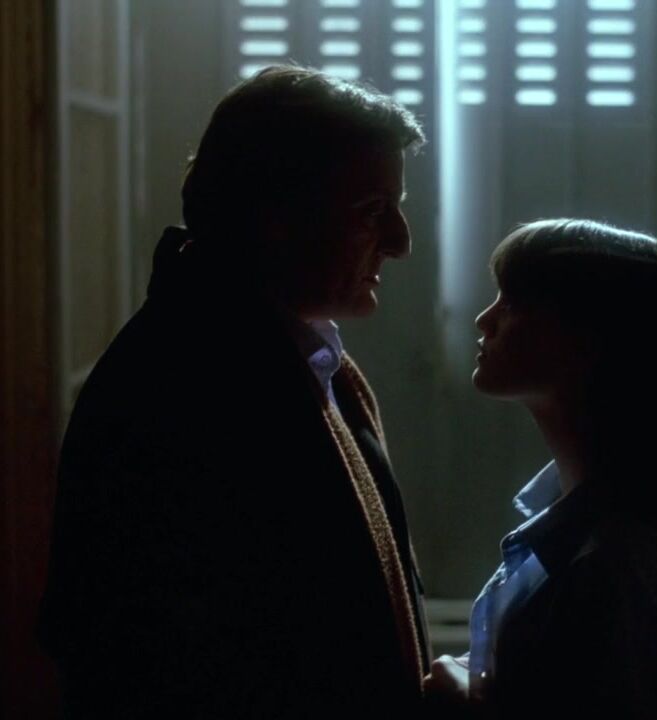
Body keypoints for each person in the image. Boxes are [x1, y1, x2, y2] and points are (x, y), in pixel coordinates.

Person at [38, 65, 430, 716]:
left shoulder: (289, 356)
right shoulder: (185, 393)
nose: (400, 242)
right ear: (274, 218)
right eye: (371, 212)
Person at [425, 219, 657, 717]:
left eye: (513, 302)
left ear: (588, 340)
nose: (484, 319)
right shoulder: (574, 535)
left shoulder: (617, 567)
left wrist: (467, 705)